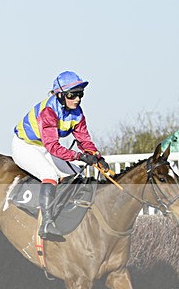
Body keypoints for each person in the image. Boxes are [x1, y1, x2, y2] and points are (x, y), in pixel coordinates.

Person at [11, 71, 109, 240]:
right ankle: (47, 223)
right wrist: (81, 156)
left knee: (76, 173)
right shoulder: (48, 112)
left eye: (80, 94)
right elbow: (53, 147)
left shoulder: (77, 112)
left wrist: (96, 157)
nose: (77, 99)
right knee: (49, 174)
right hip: (25, 146)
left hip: (44, 147)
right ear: (61, 95)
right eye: (73, 95)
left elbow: (84, 139)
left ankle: (67, 213)